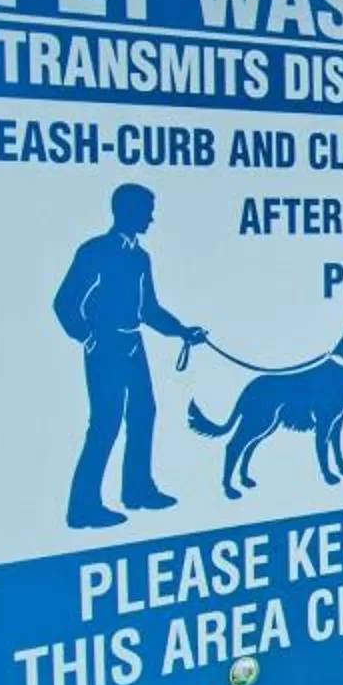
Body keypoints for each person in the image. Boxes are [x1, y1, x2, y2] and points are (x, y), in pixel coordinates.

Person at [53, 182, 209, 528]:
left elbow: (149, 309)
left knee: (143, 414)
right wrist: (86, 337)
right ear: (127, 211)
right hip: (105, 346)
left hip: (133, 344)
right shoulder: (94, 251)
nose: (151, 218)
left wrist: (183, 331)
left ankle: (137, 489)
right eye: (146, 210)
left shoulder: (140, 257)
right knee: (105, 423)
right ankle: (83, 507)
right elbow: (64, 302)